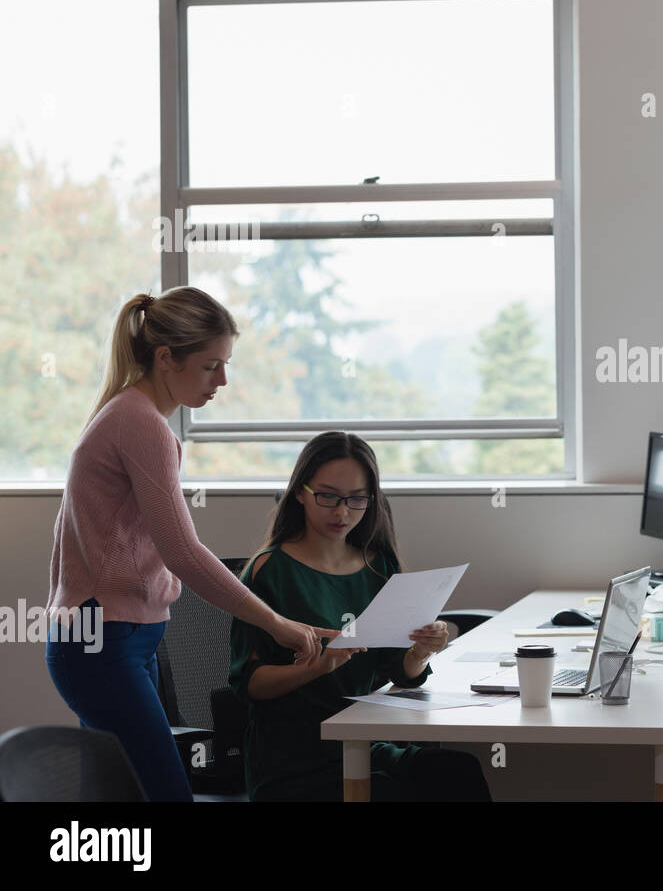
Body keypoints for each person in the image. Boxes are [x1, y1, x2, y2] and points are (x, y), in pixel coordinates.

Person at [46, 289, 330, 802]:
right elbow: (183, 552)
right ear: (164, 359)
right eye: (210, 366)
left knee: (121, 805)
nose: (222, 380)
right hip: (102, 642)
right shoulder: (138, 423)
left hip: (119, 639)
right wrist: (275, 623)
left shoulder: (131, 415)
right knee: (163, 796)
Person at [229, 431, 491, 801]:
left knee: (455, 770)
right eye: (328, 496)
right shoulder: (269, 570)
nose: (341, 512)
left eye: (356, 500)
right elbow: (248, 685)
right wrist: (316, 668)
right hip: (294, 758)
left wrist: (419, 652)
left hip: (363, 745)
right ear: (300, 493)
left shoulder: (376, 565)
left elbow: (397, 671)